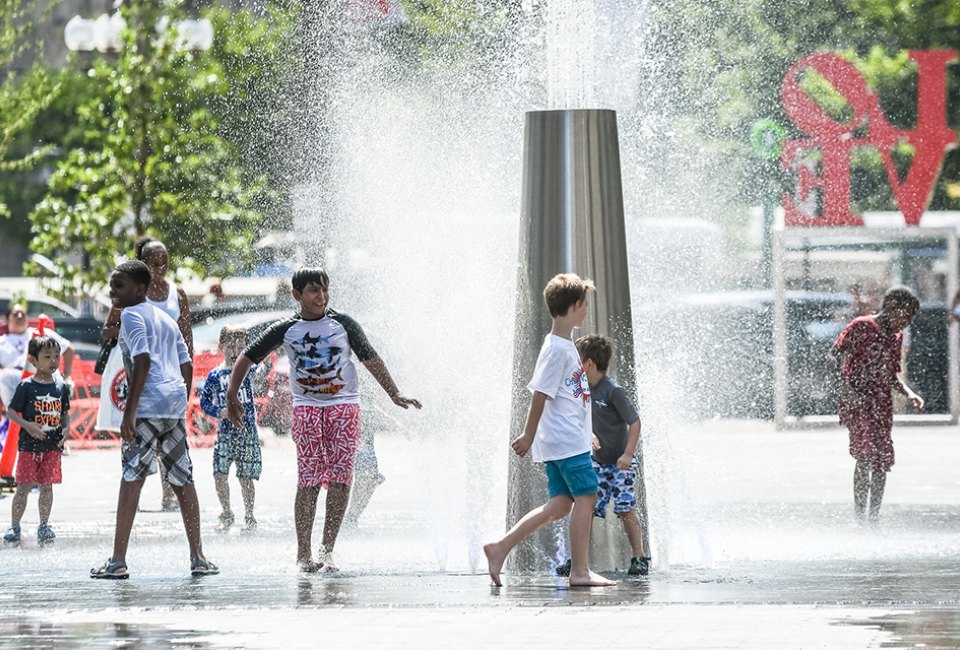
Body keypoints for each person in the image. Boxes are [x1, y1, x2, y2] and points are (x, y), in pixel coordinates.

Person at [225, 267, 421, 573]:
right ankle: (304, 553)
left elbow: (371, 358)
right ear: (297, 294)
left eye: (325, 289)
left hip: (344, 408)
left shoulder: (343, 324)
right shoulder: (285, 328)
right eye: (314, 290)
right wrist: (232, 394)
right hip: (306, 409)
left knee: (342, 479)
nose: (322, 296)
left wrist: (394, 394)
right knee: (310, 480)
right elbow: (247, 358)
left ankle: (327, 551)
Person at [484, 273, 616, 588]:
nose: (586, 311)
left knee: (560, 504)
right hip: (565, 443)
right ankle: (580, 571)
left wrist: (587, 433)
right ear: (575, 306)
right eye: (584, 305)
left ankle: (500, 547)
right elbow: (540, 393)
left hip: (568, 439)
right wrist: (528, 435)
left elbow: (569, 400)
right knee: (587, 496)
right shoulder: (557, 349)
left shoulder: (562, 346)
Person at [90, 260, 218, 579]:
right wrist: (180, 402)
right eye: (112, 285)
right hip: (171, 406)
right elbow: (186, 364)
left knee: (132, 476)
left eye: (119, 285)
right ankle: (198, 557)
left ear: (140, 289)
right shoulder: (165, 317)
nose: (112, 291)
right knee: (182, 479)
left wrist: (129, 413)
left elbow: (142, 360)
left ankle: (117, 560)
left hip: (146, 407)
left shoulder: (132, 315)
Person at [102, 237, 192, 512]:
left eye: (164, 261)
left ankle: (167, 496)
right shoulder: (128, 296)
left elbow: (186, 339)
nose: (161, 267)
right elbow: (110, 332)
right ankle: (196, 553)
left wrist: (186, 387)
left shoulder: (176, 293)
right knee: (151, 452)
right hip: (142, 381)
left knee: (163, 459)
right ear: (143, 263)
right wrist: (136, 335)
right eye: (154, 262)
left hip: (166, 380)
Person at [554, 334, 650, 577]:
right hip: (597, 463)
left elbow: (635, 422)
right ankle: (576, 560)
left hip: (621, 464)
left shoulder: (612, 391)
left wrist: (628, 454)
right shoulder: (581, 388)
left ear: (589, 364)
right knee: (585, 508)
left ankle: (639, 557)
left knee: (625, 508)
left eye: (577, 361)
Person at [832, 286, 924, 526]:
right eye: (907, 316)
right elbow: (834, 356)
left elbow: (891, 375)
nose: (907, 322)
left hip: (881, 403)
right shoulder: (861, 326)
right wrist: (844, 389)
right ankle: (859, 516)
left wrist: (910, 393)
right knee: (864, 455)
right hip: (856, 401)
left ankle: (873, 517)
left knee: (882, 458)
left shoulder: (896, 336)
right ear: (892, 306)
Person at [3, 336, 70, 546]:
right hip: (28, 447)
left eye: (57, 357)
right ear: (33, 360)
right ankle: (15, 525)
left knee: (47, 487)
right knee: (23, 487)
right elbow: (11, 411)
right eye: (47, 357)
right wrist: (28, 425)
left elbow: (65, 412)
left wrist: (66, 429)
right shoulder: (26, 386)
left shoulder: (61, 387)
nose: (53, 361)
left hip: (51, 448)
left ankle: (44, 525)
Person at [200, 325, 261, 533]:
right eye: (231, 346)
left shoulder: (249, 370)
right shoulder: (215, 375)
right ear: (221, 347)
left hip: (247, 431)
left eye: (240, 346)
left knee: (246, 476)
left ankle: (249, 514)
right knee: (219, 473)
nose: (235, 351)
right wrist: (219, 411)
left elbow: (262, 369)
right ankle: (226, 512)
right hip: (224, 432)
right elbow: (204, 403)